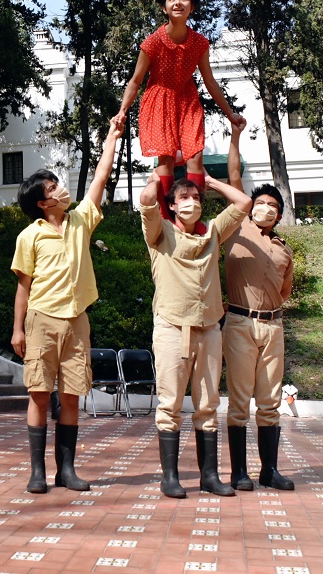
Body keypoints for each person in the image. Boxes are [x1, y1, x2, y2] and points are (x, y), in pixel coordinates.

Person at [11, 121, 124, 494]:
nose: (61, 188)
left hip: (77, 320)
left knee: (72, 394)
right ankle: (37, 472)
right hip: (42, 320)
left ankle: (67, 471)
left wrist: (110, 138)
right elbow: (23, 286)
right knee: (39, 395)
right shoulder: (29, 236)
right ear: (43, 203)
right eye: (53, 187)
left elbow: (101, 178)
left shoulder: (80, 222)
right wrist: (18, 329)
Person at [139, 168, 251, 498]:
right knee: (171, 403)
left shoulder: (213, 232)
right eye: (184, 198)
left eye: (196, 198)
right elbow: (147, 202)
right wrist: (155, 180)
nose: (192, 203)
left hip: (210, 330)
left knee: (208, 403)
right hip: (173, 328)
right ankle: (170, 478)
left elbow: (244, 202)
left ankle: (210, 476)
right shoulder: (159, 233)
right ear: (171, 205)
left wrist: (210, 182)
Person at [111, 0, 246, 218]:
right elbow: (135, 81)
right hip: (159, 100)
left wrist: (229, 113)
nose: (178, 3)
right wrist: (122, 111)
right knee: (166, 160)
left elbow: (210, 81)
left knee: (195, 157)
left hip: (188, 100)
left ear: (191, 7)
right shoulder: (152, 42)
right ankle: (168, 219)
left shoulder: (199, 43)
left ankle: (194, 215)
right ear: (165, 8)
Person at [222, 123, 295, 492]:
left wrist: (272, 312)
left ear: (279, 215)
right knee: (239, 402)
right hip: (238, 323)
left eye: (273, 206)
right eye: (261, 204)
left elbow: (285, 290)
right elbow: (234, 175)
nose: (266, 209)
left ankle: (269, 470)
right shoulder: (238, 229)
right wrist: (235, 136)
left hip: (273, 327)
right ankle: (239, 472)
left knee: (270, 401)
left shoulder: (284, 248)